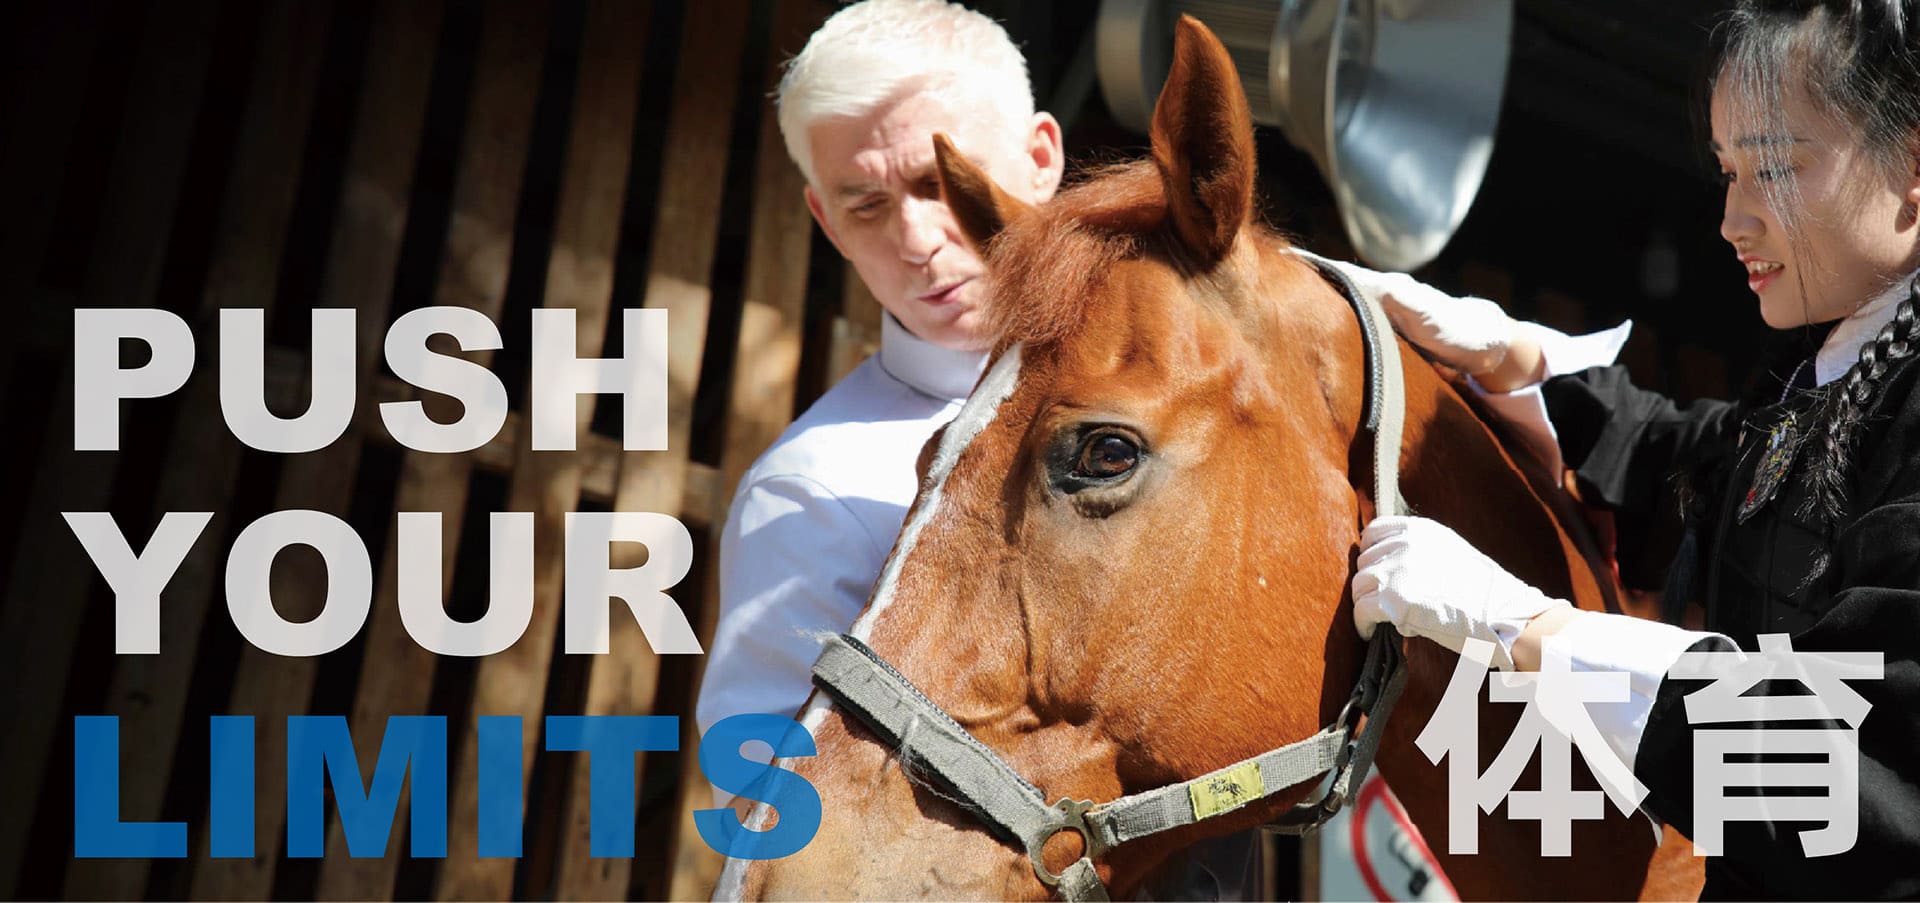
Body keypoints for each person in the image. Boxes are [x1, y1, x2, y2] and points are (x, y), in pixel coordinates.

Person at [1337, 0, 1920, 897]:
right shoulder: (1833, 367)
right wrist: (1516, 356)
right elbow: (1694, 464)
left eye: (1773, 167)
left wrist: (1527, 628)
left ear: (1912, 169)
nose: (1733, 218)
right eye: (1729, 171)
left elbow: (1847, 778)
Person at [694, 0, 1062, 806]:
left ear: (1041, 157)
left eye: (942, 181)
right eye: (867, 205)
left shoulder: (1193, 370)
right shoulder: (809, 494)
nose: (918, 237)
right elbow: (768, 814)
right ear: (826, 221)